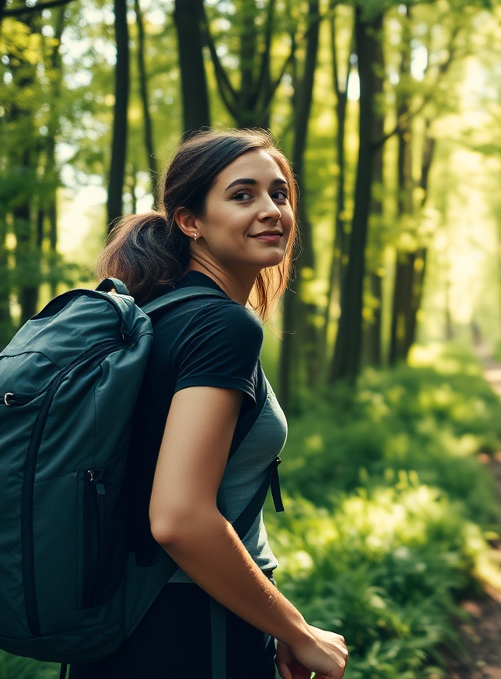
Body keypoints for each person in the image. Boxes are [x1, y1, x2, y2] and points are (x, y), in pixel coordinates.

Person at [71, 129, 348, 679]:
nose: (271, 210)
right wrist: (298, 631)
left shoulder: (156, 317)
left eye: (280, 194)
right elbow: (179, 518)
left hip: (120, 621)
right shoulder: (222, 326)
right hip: (194, 628)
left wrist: (271, 622)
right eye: (242, 195)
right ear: (189, 221)